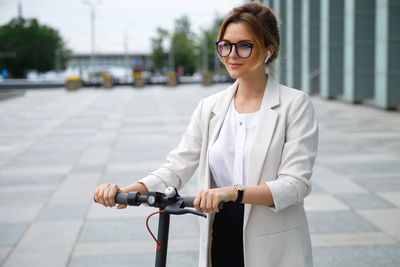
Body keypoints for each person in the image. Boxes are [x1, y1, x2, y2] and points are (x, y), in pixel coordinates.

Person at [94, 2, 318, 267]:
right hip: (219, 237)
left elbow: (294, 184)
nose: (231, 54)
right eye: (225, 45)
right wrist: (135, 188)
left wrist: (233, 193)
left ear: (268, 51)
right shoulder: (210, 107)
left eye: (244, 45)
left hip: (274, 247)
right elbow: (177, 167)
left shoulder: (295, 105)